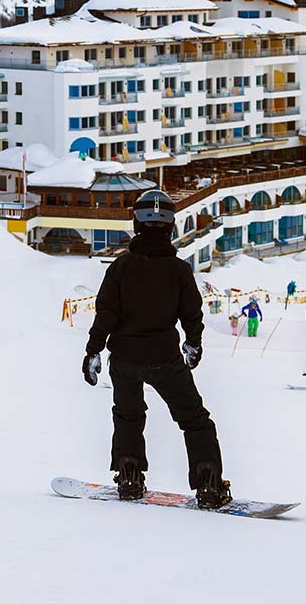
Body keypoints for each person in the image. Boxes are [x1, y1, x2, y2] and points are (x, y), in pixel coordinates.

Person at [82, 189, 231, 509]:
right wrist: (194, 343)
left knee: (128, 416)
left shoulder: (121, 268)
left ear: (136, 224)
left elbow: (106, 312)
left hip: (124, 359)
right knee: (194, 420)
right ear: (170, 227)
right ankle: (208, 481)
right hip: (164, 358)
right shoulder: (177, 270)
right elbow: (192, 313)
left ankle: (129, 472)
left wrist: (93, 351)